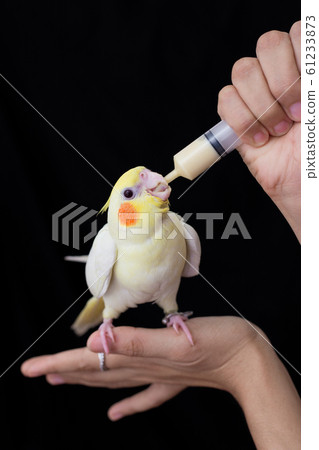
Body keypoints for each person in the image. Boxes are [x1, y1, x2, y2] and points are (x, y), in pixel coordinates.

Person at [21, 21, 301, 449]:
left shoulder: (181, 233)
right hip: (113, 296)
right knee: (102, 310)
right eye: (134, 190)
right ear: (121, 211)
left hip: (172, 293)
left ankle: (171, 313)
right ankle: (108, 318)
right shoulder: (108, 246)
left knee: (171, 298)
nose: (152, 181)